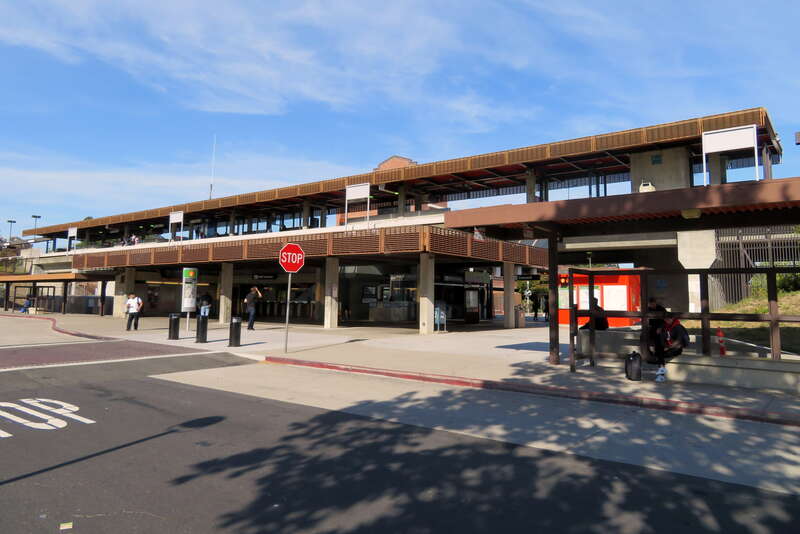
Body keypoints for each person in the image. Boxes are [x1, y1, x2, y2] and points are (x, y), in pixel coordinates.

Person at [653, 313, 690, 383]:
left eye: (668, 319)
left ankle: (661, 373)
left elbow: (679, 341)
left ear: (672, 319)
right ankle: (661, 372)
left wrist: (669, 347)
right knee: (659, 352)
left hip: (677, 348)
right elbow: (661, 330)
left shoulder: (678, 327)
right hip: (668, 347)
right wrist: (659, 329)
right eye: (665, 319)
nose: (666, 321)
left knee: (660, 354)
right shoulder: (666, 325)